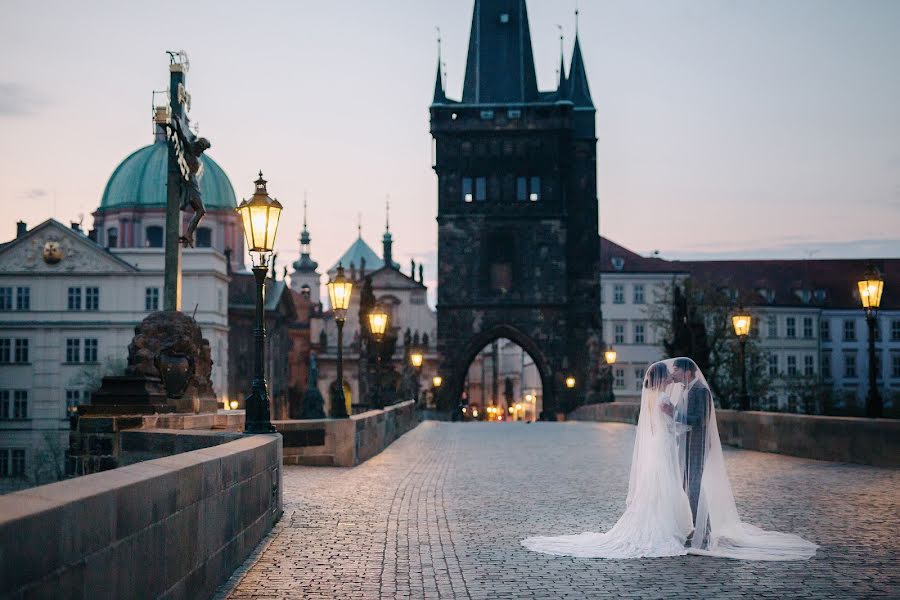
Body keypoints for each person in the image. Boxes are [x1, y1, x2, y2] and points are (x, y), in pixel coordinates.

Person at [521, 357, 818, 561]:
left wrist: (673, 417)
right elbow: (674, 423)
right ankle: (698, 531)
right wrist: (672, 419)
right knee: (683, 488)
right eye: (670, 373)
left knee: (689, 488)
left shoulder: (693, 391)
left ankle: (701, 531)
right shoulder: (675, 394)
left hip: (685, 446)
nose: (673, 375)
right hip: (673, 448)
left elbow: (692, 420)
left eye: (676, 371)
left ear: (686, 372)